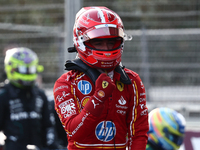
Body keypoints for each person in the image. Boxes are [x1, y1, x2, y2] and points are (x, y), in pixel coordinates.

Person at [53, 6, 149, 150]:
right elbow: (75, 132)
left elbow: (139, 133)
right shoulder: (66, 83)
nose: (106, 48)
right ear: (80, 41)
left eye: (111, 42)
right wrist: (99, 97)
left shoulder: (132, 81)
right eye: (98, 42)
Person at [0, 47, 58, 150]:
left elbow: (48, 126)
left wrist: (51, 146)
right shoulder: (3, 95)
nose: (27, 73)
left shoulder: (40, 95)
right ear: (11, 68)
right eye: (23, 69)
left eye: (30, 69)